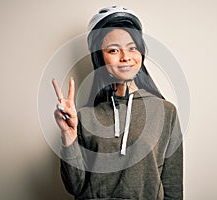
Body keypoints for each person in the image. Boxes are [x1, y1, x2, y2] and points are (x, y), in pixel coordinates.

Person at [52, 6, 183, 199]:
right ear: (100, 58)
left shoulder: (166, 112)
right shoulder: (84, 117)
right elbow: (75, 186)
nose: (126, 57)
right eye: (114, 50)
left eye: (132, 48)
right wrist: (68, 134)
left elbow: (173, 188)